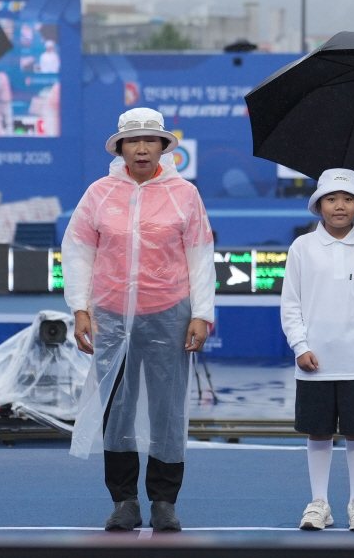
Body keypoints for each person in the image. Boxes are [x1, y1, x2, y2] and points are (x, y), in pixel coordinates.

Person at [62, 107, 216, 533]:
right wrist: (79, 308)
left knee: (168, 409)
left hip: (170, 311)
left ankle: (164, 501)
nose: (143, 148)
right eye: (134, 140)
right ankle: (124, 501)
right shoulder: (99, 193)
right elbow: (77, 252)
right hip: (111, 316)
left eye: (152, 140)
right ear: (122, 147)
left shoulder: (184, 194)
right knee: (119, 408)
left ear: (165, 147)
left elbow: (201, 258)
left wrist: (201, 314)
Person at [281, 168, 354, 532]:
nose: (339, 206)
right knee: (317, 433)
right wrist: (300, 346)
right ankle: (319, 503)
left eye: (348, 199)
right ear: (319, 205)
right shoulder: (302, 247)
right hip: (314, 363)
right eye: (331, 199)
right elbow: (291, 305)